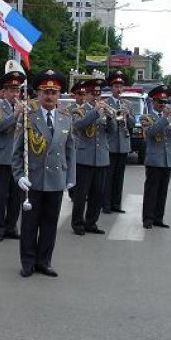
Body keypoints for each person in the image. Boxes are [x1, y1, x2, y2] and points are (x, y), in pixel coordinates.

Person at [13, 70, 75, 278]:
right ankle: (28, 262)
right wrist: (19, 175)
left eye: (53, 92)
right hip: (33, 180)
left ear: (59, 95)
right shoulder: (28, 117)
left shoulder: (66, 119)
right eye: (45, 92)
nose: (49, 96)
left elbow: (70, 150)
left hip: (56, 180)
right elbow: (17, 152)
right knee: (30, 225)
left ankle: (44, 261)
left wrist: (70, 178)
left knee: (49, 224)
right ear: (38, 94)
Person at [71, 78, 114, 236]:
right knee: (81, 194)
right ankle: (77, 223)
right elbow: (78, 126)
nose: (96, 96)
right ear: (86, 94)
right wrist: (95, 111)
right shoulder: (79, 110)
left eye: (98, 93)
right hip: (84, 157)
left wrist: (110, 118)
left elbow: (112, 131)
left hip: (101, 157)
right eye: (92, 94)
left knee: (98, 194)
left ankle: (91, 222)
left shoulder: (104, 110)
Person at [0, 71, 26, 241]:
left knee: (16, 196)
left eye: (17, 90)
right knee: (1, 195)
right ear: (3, 92)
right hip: (3, 158)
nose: (15, 94)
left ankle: (11, 226)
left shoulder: (23, 106)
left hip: (18, 159)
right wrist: (15, 115)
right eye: (11, 90)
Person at [141, 85, 171, 229]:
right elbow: (150, 134)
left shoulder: (170, 118)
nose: (163, 105)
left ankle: (159, 217)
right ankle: (147, 218)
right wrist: (164, 118)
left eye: (165, 102)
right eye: (160, 102)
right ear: (153, 101)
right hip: (154, 160)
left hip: (167, 159)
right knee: (151, 191)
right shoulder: (146, 117)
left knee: (163, 191)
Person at [104, 71, 135, 214]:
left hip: (123, 144)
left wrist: (127, 115)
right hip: (110, 145)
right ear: (111, 88)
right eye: (116, 86)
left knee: (119, 176)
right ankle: (106, 204)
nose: (119, 89)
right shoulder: (106, 103)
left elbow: (133, 123)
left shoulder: (127, 104)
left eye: (121, 86)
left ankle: (116, 204)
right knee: (108, 177)